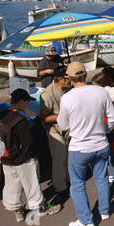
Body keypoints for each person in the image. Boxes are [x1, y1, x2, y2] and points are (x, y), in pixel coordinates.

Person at [57, 61, 114, 226]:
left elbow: (62, 125)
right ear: (86, 74)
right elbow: (112, 118)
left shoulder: (67, 98)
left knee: (77, 184)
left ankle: (86, 220)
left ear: (69, 78)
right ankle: (104, 211)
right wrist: (103, 130)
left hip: (79, 147)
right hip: (100, 144)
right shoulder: (100, 91)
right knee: (102, 178)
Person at [0, 88, 61, 223]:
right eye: (26, 102)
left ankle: (18, 212)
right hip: (22, 159)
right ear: (20, 102)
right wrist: (31, 157)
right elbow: (27, 142)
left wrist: (0, 155)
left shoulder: (0, 115)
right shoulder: (20, 120)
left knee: (12, 186)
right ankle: (40, 208)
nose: (27, 105)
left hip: (6, 159)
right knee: (32, 185)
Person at [39, 65, 71, 196]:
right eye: (67, 77)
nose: (70, 79)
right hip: (54, 130)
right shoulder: (47, 94)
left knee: (69, 157)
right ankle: (60, 186)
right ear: (60, 79)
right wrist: (61, 117)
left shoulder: (70, 89)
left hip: (69, 129)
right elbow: (44, 118)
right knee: (59, 159)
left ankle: (69, 180)